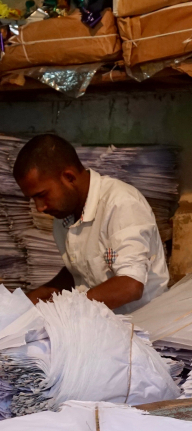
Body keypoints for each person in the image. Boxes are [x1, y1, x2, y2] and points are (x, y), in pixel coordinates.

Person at [13, 134, 169, 314]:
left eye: (42, 195)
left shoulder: (121, 203)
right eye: (33, 198)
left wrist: (60, 310)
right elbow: (80, 271)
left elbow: (130, 285)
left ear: (69, 177)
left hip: (142, 323)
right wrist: (28, 301)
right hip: (99, 321)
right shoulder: (64, 216)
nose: (39, 207)